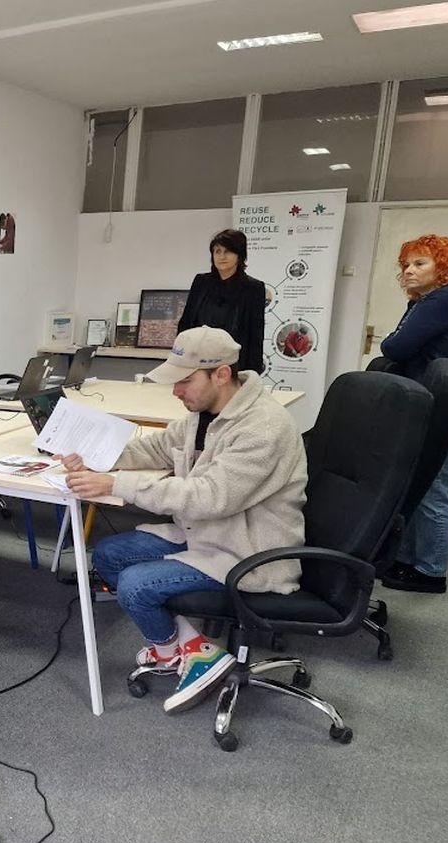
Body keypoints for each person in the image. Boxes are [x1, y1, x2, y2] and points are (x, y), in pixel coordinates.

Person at [62, 327, 307, 713]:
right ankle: (193, 647)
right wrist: (98, 457)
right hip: (207, 534)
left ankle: (172, 649)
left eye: (185, 381)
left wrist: (117, 484)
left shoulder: (262, 428)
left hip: (249, 552)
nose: (175, 391)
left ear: (221, 374)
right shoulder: (205, 412)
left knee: (135, 585)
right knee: (109, 555)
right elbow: (158, 447)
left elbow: (207, 497)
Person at [378, 235, 448, 594]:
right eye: (406, 264)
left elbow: (396, 346)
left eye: (420, 263)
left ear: (444, 267)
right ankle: (408, 560)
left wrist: (395, 338)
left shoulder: (445, 298)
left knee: (434, 488)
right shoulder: (428, 300)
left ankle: (431, 571)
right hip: (440, 404)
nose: (409, 270)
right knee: (418, 485)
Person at [176, 229, 267, 374]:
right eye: (217, 251)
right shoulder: (201, 282)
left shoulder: (253, 288)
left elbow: (255, 334)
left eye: (228, 251)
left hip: (234, 364)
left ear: (240, 255)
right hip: (198, 361)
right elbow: (186, 322)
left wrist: (252, 374)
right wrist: (179, 357)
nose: (222, 256)